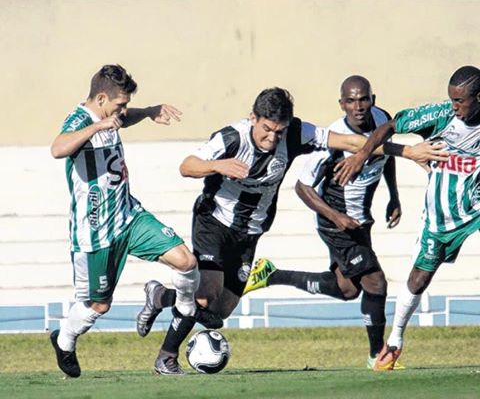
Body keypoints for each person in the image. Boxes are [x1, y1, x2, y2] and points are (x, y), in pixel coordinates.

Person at [136, 87, 447, 375]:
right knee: (204, 297)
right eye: (266, 129)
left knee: (218, 315)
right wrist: (217, 166)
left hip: (251, 231)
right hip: (214, 222)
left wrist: (406, 152)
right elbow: (187, 166)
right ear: (253, 118)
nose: (272, 138)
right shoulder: (232, 138)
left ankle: (161, 295)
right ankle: (167, 357)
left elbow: (352, 143)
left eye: (279, 131)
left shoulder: (298, 132)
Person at [242, 76, 407, 369]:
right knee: (375, 282)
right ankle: (377, 357)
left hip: (360, 221)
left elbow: (386, 155)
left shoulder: (383, 120)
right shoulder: (334, 138)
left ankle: (272, 275)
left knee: (347, 289)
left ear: (373, 99)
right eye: (351, 101)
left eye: (364, 99)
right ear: (341, 104)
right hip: (336, 221)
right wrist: (337, 217)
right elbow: (302, 188)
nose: (358, 107)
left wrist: (394, 196)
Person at [49, 64, 201, 378]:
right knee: (97, 306)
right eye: (119, 105)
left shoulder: (112, 114)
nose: (123, 110)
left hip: (129, 216)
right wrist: (97, 127)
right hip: (96, 230)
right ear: (101, 98)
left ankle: (184, 309)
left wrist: (145, 112)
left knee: (186, 261)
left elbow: (121, 119)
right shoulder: (79, 120)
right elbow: (58, 148)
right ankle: (64, 339)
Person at [333, 65, 480, 370]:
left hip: (476, 204)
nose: (454, 107)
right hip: (442, 214)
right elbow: (390, 124)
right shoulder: (441, 115)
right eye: (451, 100)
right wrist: (362, 156)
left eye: (460, 102)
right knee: (419, 277)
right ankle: (396, 341)